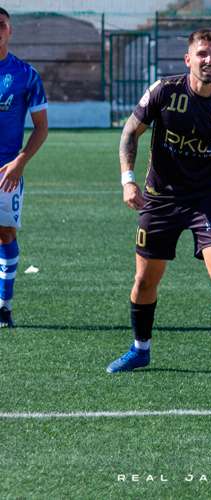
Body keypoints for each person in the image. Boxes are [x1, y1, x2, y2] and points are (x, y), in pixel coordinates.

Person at [106, 29, 211, 380]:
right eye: (202, 54)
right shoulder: (164, 90)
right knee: (144, 279)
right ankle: (140, 350)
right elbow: (129, 133)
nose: (208, 60)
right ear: (188, 59)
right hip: (159, 199)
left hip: (205, 199)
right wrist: (127, 180)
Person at [0, 7, 48, 329]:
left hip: (7, 171)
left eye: (1, 26)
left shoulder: (25, 74)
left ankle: (4, 305)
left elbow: (41, 128)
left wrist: (20, 162)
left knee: (5, 234)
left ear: (10, 31)